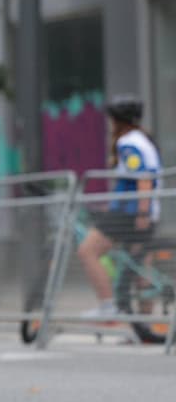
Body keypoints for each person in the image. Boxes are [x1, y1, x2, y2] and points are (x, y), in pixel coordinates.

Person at [76, 96, 163, 318]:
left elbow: (143, 178)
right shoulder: (143, 139)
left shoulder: (128, 143)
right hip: (144, 211)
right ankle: (146, 324)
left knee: (87, 251)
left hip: (131, 213)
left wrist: (142, 212)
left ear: (118, 120)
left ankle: (108, 306)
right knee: (140, 265)